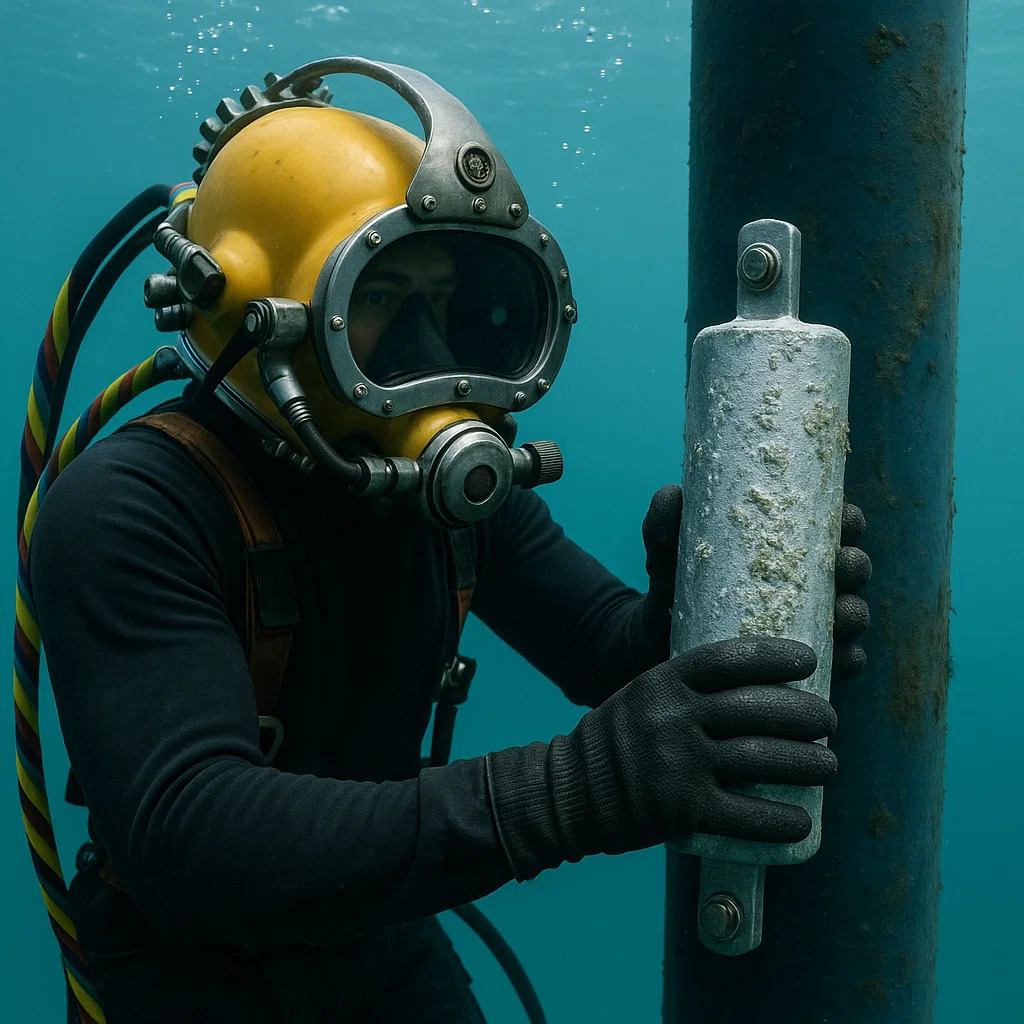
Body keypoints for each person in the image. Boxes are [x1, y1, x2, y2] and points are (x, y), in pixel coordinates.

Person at [29, 59, 871, 1023]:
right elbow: (191, 839)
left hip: (380, 939)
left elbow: (601, 648)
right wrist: (565, 792)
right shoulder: (132, 502)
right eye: (383, 300)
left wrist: (710, 621)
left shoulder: (436, 483)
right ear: (267, 317)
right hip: (188, 972)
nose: (434, 353)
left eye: (453, 300)